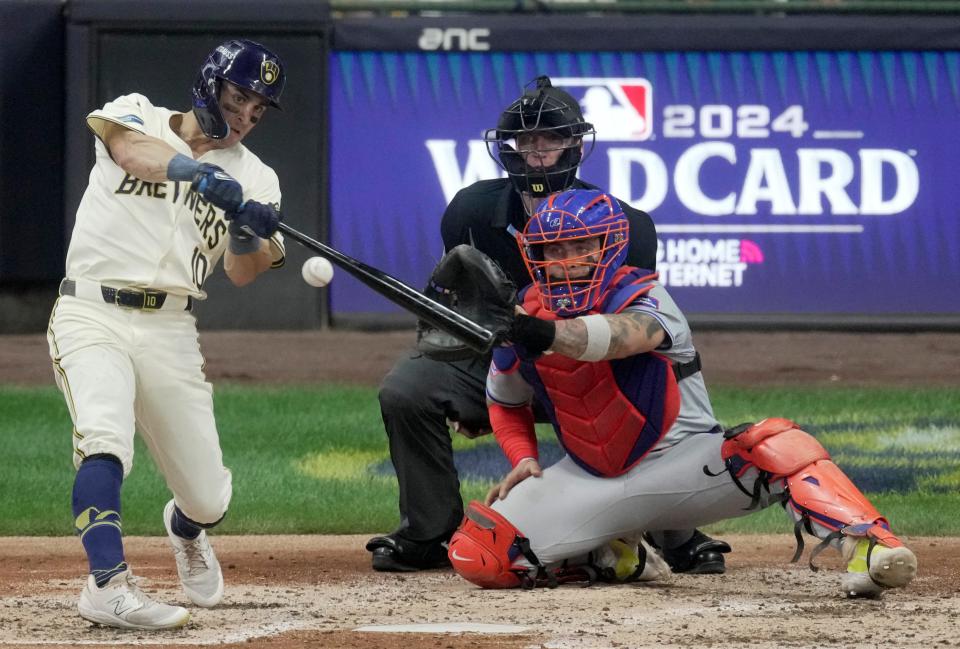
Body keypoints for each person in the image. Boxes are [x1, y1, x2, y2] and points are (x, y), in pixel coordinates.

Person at [446, 188, 918, 599]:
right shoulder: (525, 315)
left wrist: (531, 331)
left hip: (687, 466)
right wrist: (523, 456)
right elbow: (505, 402)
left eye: (582, 244)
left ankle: (868, 543)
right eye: (554, 248)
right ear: (536, 255)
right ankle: (616, 556)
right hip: (588, 478)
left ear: (610, 247)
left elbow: (621, 337)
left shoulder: (646, 297)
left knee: (775, 442)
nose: (567, 258)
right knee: (479, 556)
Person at [366, 75, 730, 575]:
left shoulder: (628, 224)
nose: (537, 153)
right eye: (526, 141)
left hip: (595, 370)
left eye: (551, 139)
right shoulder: (470, 212)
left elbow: (631, 323)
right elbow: (456, 310)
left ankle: (677, 533)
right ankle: (428, 533)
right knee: (409, 386)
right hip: (503, 364)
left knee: (652, 390)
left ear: (575, 145)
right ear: (510, 148)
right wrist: (488, 395)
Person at [46, 39, 286, 630]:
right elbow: (130, 153)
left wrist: (250, 233)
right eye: (238, 98)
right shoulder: (138, 112)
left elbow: (241, 271)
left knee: (209, 498)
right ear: (210, 84)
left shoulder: (258, 177)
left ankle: (185, 527)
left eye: (257, 111)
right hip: (91, 310)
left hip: (171, 328)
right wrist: (198, 173)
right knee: (105, 438)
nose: (244, 118)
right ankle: (107, 585)